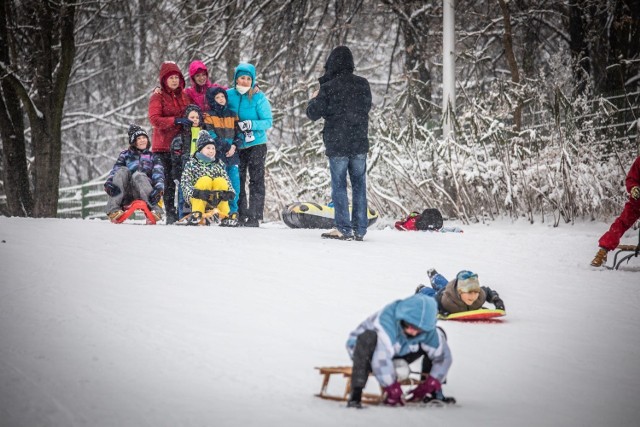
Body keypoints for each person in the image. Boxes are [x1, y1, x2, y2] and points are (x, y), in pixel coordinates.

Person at [306, 46, 372, 241]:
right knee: (360, 185)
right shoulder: (363, 84)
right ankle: (360, 229)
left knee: (339, 185)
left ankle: (343, 228)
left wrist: (314, 99)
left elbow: (313, 114)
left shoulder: (329, 87)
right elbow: (365, 108)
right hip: (359, 141)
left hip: (337, 143)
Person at [345, 294, 453, 409]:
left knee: (440, 336)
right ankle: (355, 396)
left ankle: (434, 393)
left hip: (400, 350)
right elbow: (380, 359)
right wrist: (392, 388)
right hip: (367, 350)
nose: (413, 332)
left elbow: (443, 357)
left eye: (419, 329)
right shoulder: (386, 321)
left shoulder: (427, 330)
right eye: (410, 326)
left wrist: (431, 383)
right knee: (368, 338)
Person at [226, 63, 273, 227]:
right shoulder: (228, 95)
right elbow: (214, 99)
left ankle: (254, 216)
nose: (245, 81)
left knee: (256, 179)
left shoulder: (258, 96)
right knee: (237, 178)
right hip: (236, 144)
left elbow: (268, 121)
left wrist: (250, 124)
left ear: (252, 80)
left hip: (257, 144)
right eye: (242, 78)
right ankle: (239, 213)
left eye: (248, 78)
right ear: (236, 78)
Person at [148, 61, 190, 224]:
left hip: (181, 146)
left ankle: (183, 212)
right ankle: (170, 213)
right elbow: (154, 119)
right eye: (171, 78)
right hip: (163, 146)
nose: (174, 80)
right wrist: (176, 121)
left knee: (183, 178)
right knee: (168, 181)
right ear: (164, 80)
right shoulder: (157, 96)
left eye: (177, 77)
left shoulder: (184, 96)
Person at [104, 125, 164, 222]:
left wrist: (159, 188)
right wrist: (109, 183)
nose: (142, 140)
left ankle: (155, 210)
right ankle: (113, 210)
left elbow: (159, 173)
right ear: (133, 142)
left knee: (138, 175)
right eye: (138, 138)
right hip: (125, 193)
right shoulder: (125, 155)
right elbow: (116, 170)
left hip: (145, 192)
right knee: (122, 170)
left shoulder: (153, 157)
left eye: (144, 137)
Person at [203, 87, 243, 227]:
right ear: (212, 100)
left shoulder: (232, 114)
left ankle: (233, 212)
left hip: (232, 156)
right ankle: (220, 212)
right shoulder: (208, 114)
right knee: (220, 185)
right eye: (217, 97)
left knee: (234, 186)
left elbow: (239, 134)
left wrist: (234, 146)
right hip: (218, 156)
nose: (221, 99)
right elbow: (211, 134)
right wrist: (225, 146)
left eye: (222, 97)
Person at [591, 156, 640, 267]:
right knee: (620, 224)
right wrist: (634, 188)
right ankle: (602, 252)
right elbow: (631, 179)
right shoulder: (639, 161)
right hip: (637, 202)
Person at [177, 130, 235, 226]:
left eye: (213, 148)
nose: (211, 151)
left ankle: (225, 214)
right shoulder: (191, 164)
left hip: (214, 198)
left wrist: (230, 192)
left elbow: (227, 180)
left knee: (221, 181)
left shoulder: (218, 164)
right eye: (208, 148)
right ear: (200, 149)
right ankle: (197, 213)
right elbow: (185, 183)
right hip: (197, 197)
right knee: (205, 179)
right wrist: (195, 192)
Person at [416, 269, 505, 316]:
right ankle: (423, 287)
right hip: (444, 293)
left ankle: (435, 276)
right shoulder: (447, 301)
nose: (473, 296)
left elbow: (488, 291)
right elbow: (435, 301)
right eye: (469, 292)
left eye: (476, 292)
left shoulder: (480, 296)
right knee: (437, 291)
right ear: (460, 292)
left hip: (455, 286)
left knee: (445, 284)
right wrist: (440, 310)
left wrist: (497, 300)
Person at [170, 104, 204, 219]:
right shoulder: (181, 136)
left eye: (197, 117)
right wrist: (176, 171)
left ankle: (199, 213)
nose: (195, 120)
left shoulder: (204, 134)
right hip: (185, 169)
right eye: (192, 117)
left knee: (200, 191)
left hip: (201, 167)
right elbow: (175, 157)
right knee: (183, 192)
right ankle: (184, 215)